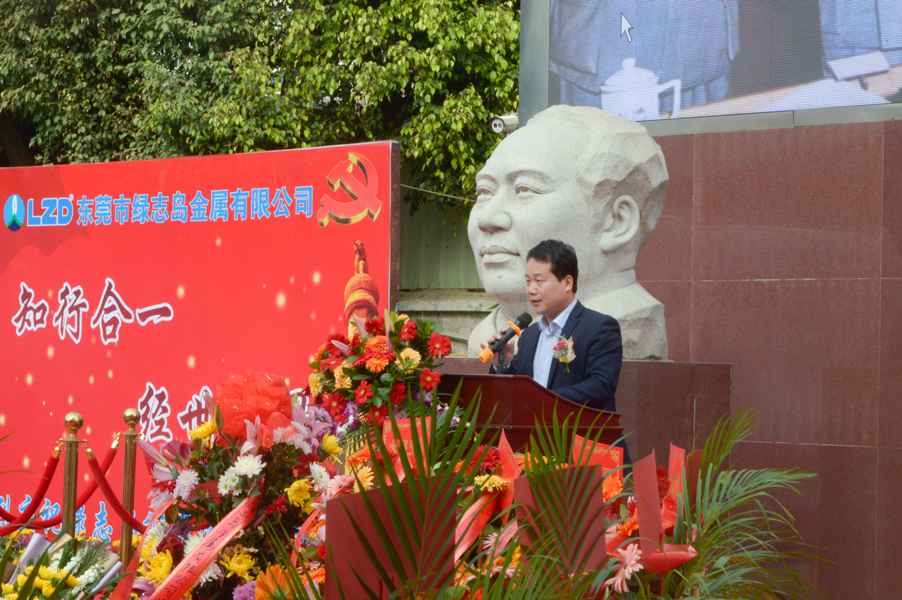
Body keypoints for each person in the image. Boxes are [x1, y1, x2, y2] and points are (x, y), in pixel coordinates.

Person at [467, 105, 668, 360]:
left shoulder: (607, 331)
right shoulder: (488, 337)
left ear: (617, 222)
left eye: (525, 189)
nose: (487, 219)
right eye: (484, 192)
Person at [483, 240, 623, 413]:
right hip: (531, 429)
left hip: (577, 429)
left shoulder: (600, 327)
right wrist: (503, 363)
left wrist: (542, 399)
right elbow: (513, 391)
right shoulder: (529, 335)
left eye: (539, 281)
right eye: (528, 281)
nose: (531, 290)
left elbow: (601, 386)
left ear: (567, 283)